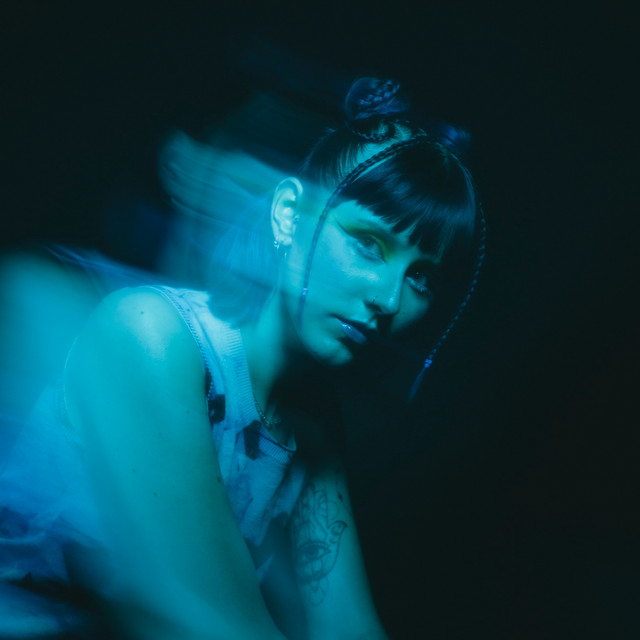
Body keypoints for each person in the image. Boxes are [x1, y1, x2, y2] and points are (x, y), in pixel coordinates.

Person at [0, 77, 483, 639]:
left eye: (421, 277)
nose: (390, 299)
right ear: (287, 215)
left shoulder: (311, 425)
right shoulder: (153, 332)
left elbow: (347, 626)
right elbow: (201, 616)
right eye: (367, 243)